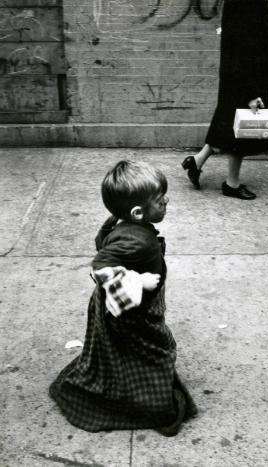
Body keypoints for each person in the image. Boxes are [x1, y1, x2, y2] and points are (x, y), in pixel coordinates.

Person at [49, 160, 197, 436]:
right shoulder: (136, 239)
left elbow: (104, 242)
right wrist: (138, 281)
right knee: (157, 351)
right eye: (159, 199)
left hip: (129, 308)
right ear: (139, 212)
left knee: (123, 353)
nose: (167, 200)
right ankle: (151, 406)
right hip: (133, 313)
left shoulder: (124, 225)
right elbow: (100, 266)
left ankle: (132, 390)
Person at [182, 0, 268, 199]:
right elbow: (242, 46)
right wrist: (251, 93)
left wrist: (267, 29)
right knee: (242, 131)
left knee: (228, 122)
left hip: (242, 75)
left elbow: (247, 33)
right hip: (246, 77)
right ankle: (232, 184)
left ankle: (196, 161)